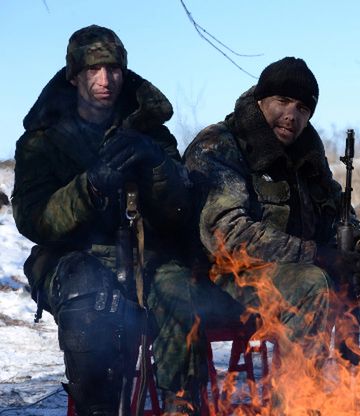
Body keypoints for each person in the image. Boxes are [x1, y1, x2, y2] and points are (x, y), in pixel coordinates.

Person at [12, 25, 232, 415]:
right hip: (70, 261)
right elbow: (33, 219)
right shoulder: (42, 140)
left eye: (114, 69)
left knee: (179, 289)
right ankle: (98, 408)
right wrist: (89, 188)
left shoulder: (151, 133)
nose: (105, 80)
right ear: (74, 75)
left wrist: (156, 164)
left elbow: (180, 212)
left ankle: (181, 405)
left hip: (146, 258)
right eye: (94, 69)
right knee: (88, 293)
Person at [184, 57, 360, 367]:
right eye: (283, 101)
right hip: (222, 279)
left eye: (302, 109)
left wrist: (352, 252)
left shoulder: (306, 153)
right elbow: (227, 234)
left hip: (290, 271)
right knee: (312, 284)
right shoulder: (219, 146)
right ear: (261, 99)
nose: (292, 115)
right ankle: (296, 405)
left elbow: (336, 209)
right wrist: (316, 253)